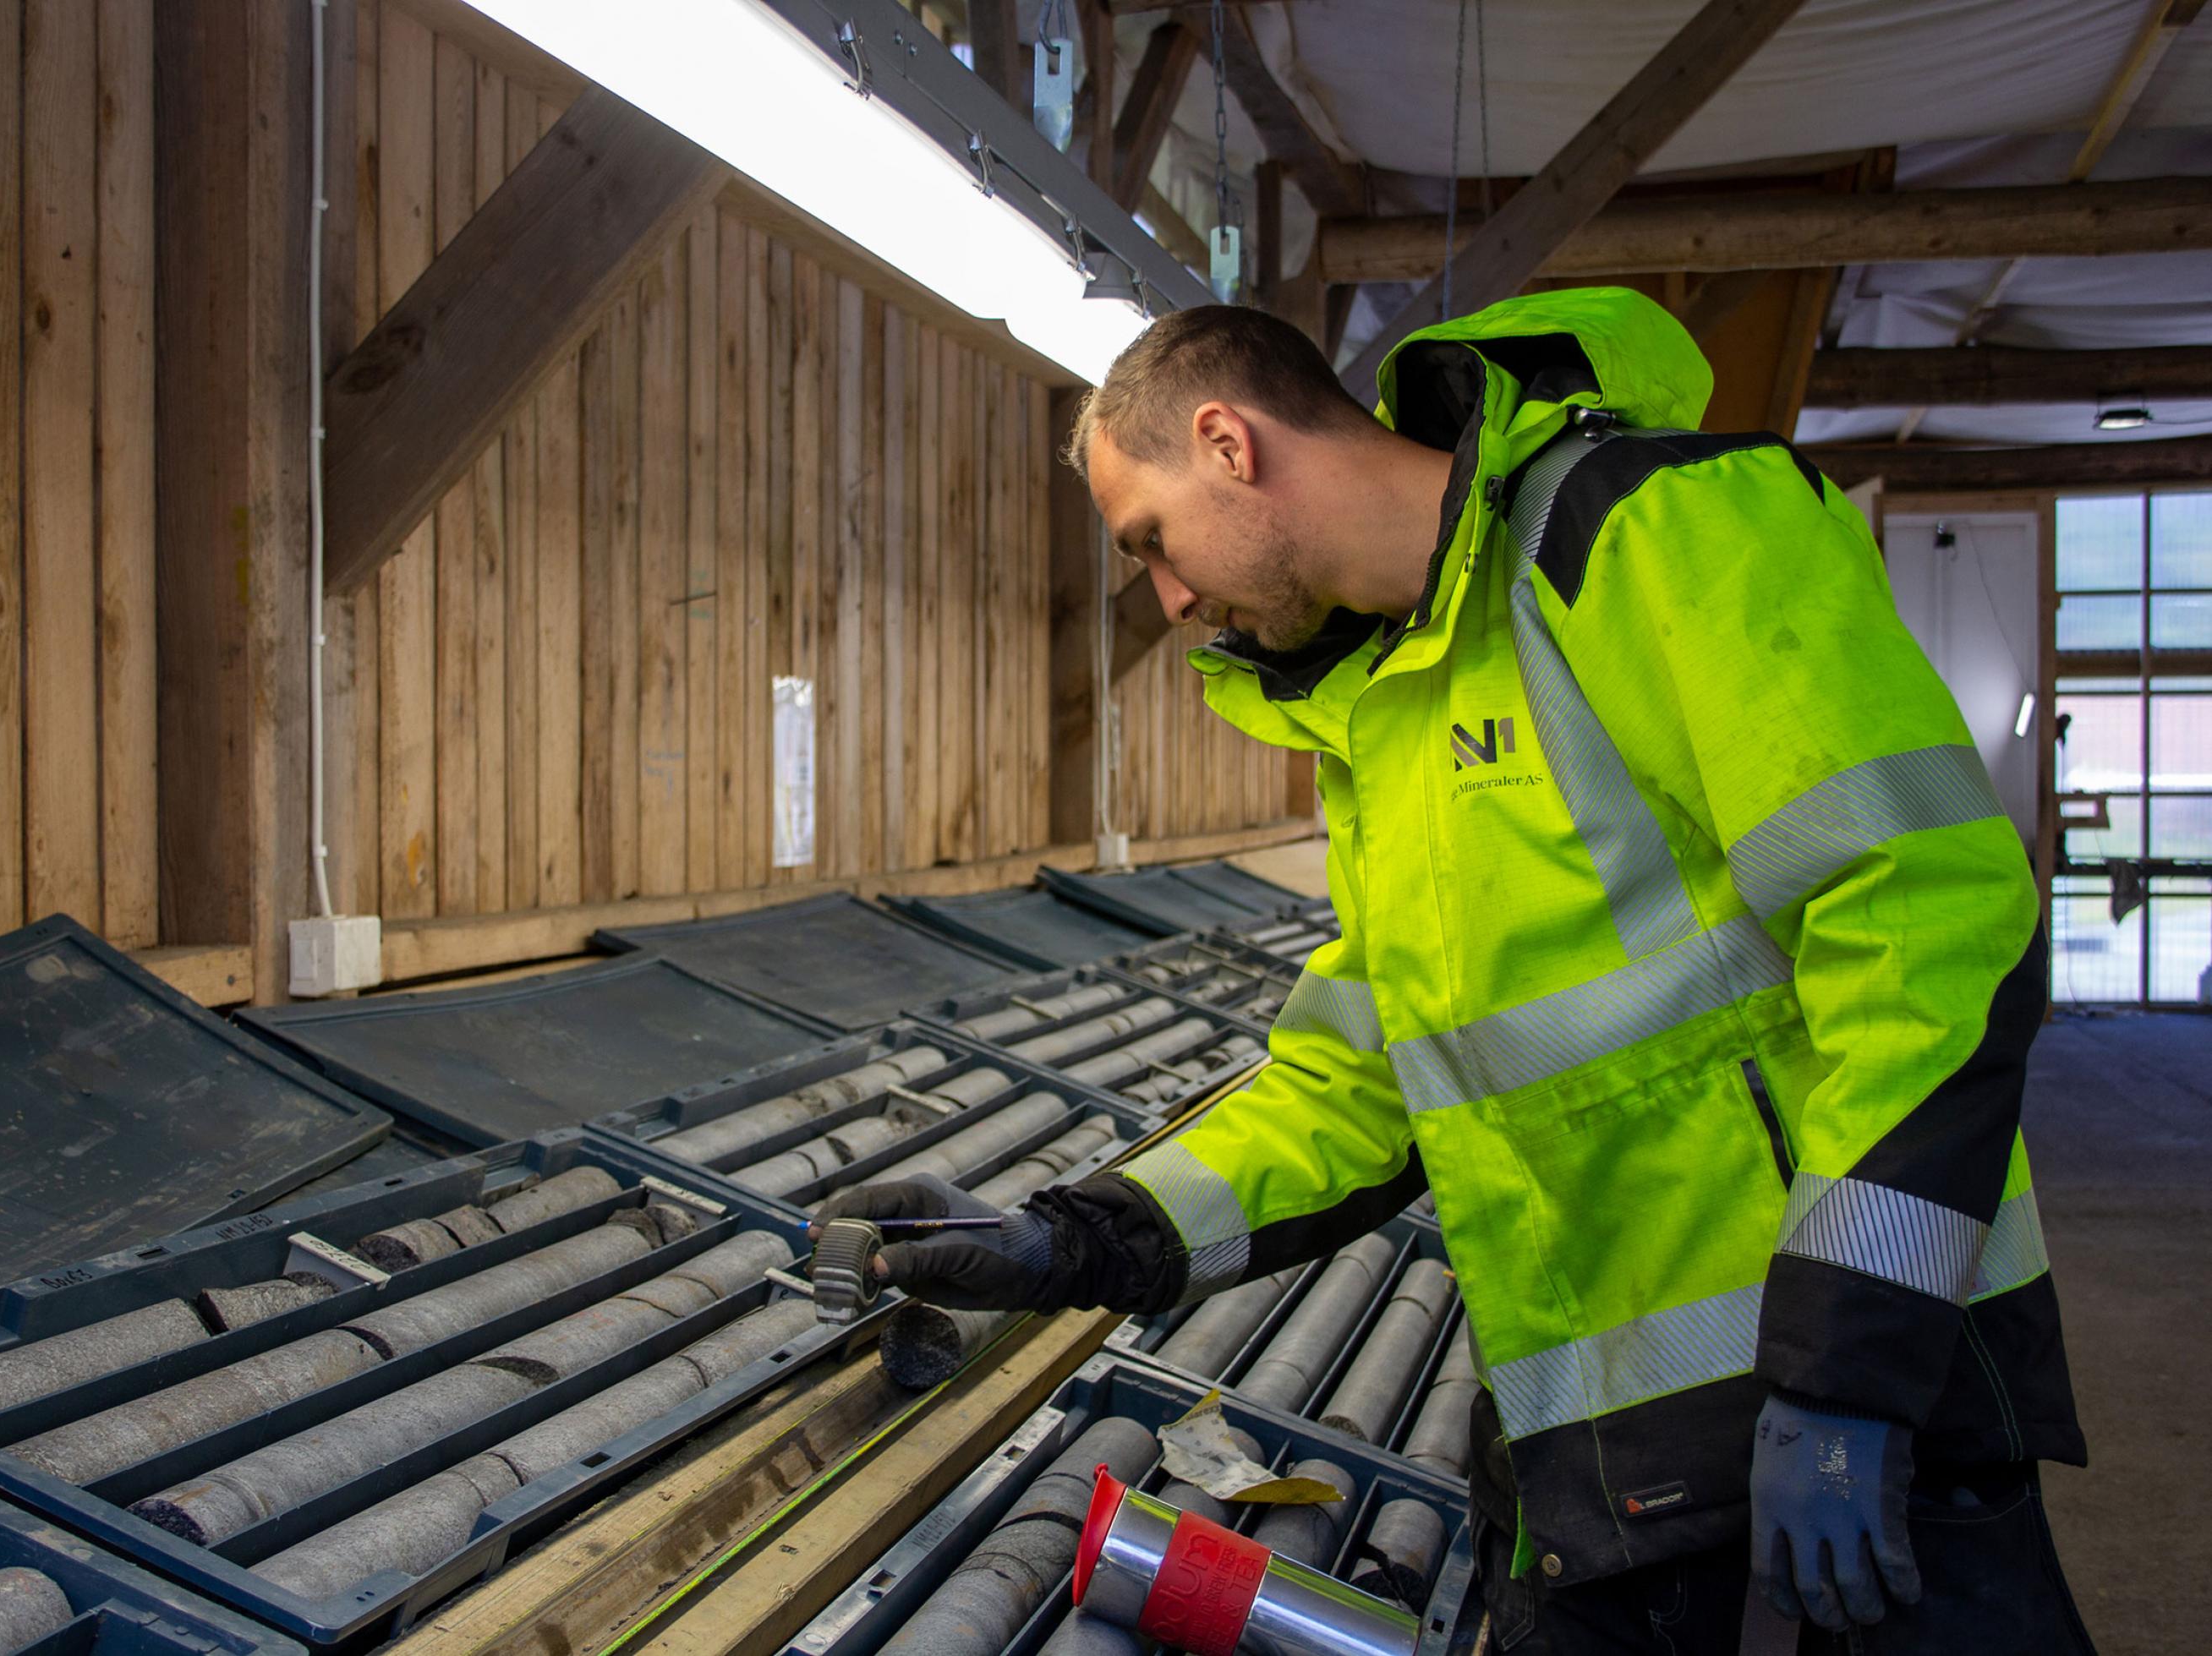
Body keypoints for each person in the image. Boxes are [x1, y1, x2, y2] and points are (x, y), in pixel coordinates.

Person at [816, 291, 2090, 1652]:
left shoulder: (1644, 535)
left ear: (1227, 442)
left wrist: (1850, 1368)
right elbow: (1357, 1082)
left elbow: (1925, 920)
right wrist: (1070, 1235)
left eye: (1152, 540)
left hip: (1854, 1403)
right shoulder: (1389, 707)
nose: (1171, 597)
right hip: (1602, 1435)